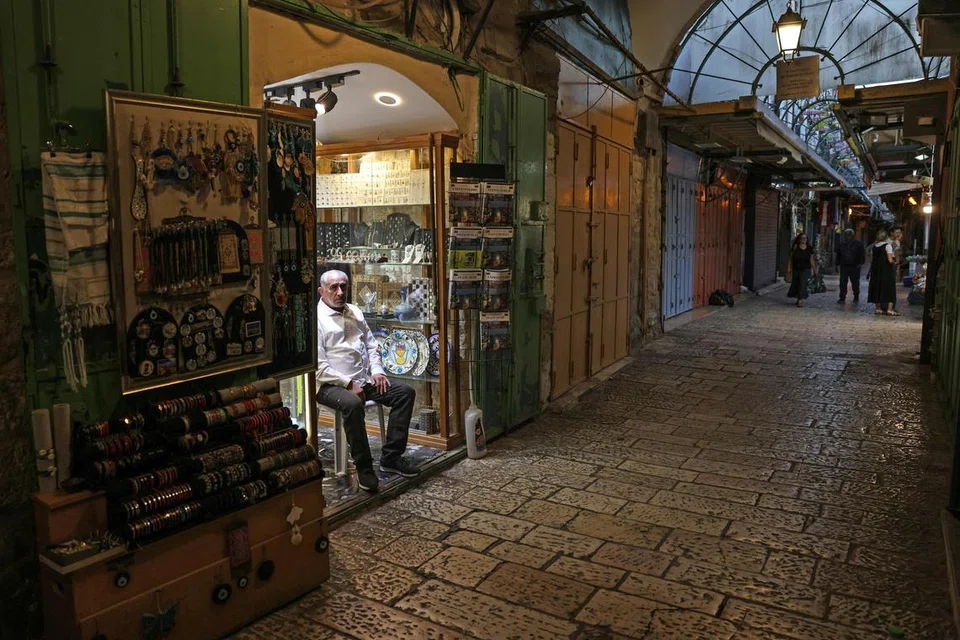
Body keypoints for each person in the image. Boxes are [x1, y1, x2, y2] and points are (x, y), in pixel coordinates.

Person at [315, 270, 421, 492]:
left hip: (364, 379)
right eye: (334, 287)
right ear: (321, 291)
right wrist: (347, 384)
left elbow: (372, 345)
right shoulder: (317, 320)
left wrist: (378, 371)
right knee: (352, 404)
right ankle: (364, 468)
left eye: (344, 286)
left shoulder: (354, 311)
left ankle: (391, 458)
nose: (340, 292)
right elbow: (319, 366)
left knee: (405, 392)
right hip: (330, 385)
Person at [867, 229, 899, 316]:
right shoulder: (887, 246)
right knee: (890, 288)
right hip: (887, 271)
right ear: (886, 237)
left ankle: (878, 309)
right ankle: (889, 309)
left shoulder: (874, 246)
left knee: (877, 287)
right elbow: (889, 260)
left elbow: (872, 259)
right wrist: (895, 262)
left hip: (876, 271)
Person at [786, 233, 816, 308]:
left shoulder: (810, 248)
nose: (804, 240)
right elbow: (790, 259)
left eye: (805, 238)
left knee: (802, 283)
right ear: (799, 239)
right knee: (796, 283)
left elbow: (811, 260)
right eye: (802, 238)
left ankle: (800, 300)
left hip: (806, 269)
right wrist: (788, 268)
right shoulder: (795, 247)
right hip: (796, 268)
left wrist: (815, 270)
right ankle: (798, 298)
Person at [835, 228, 865, 303]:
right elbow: (838, 255)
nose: (848, 236)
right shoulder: (842, 244)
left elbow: (862, 254)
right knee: (843, 282)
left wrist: (860, 263)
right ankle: (842, 297)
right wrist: (837, 264)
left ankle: (856, 295)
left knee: (855, 282)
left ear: (852, 235)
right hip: (844, 266)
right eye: (846, 235)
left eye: (849, 235)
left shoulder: (858, 244)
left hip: (855, 266)